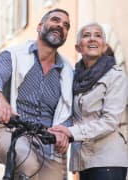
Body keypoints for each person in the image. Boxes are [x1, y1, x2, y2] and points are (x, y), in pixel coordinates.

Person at [0, 8, 73, 180]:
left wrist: (63, 131)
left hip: (48, 143)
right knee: (28, 162)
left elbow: (68, 109)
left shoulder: (68, 71)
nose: (60, 26)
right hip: (10, 130)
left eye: (66, 25)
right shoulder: (12, 54)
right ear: (40, 26)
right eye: (55, 20)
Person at [49, 22, 128, 180]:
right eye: (86, 35)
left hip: (108, 161)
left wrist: (70, 132)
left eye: (98, 35)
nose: (92, 39)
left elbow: (110, 121)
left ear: (104, 46)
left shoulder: (116, 76)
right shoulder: (73, 78)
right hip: (85, 161)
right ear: (78, 47)